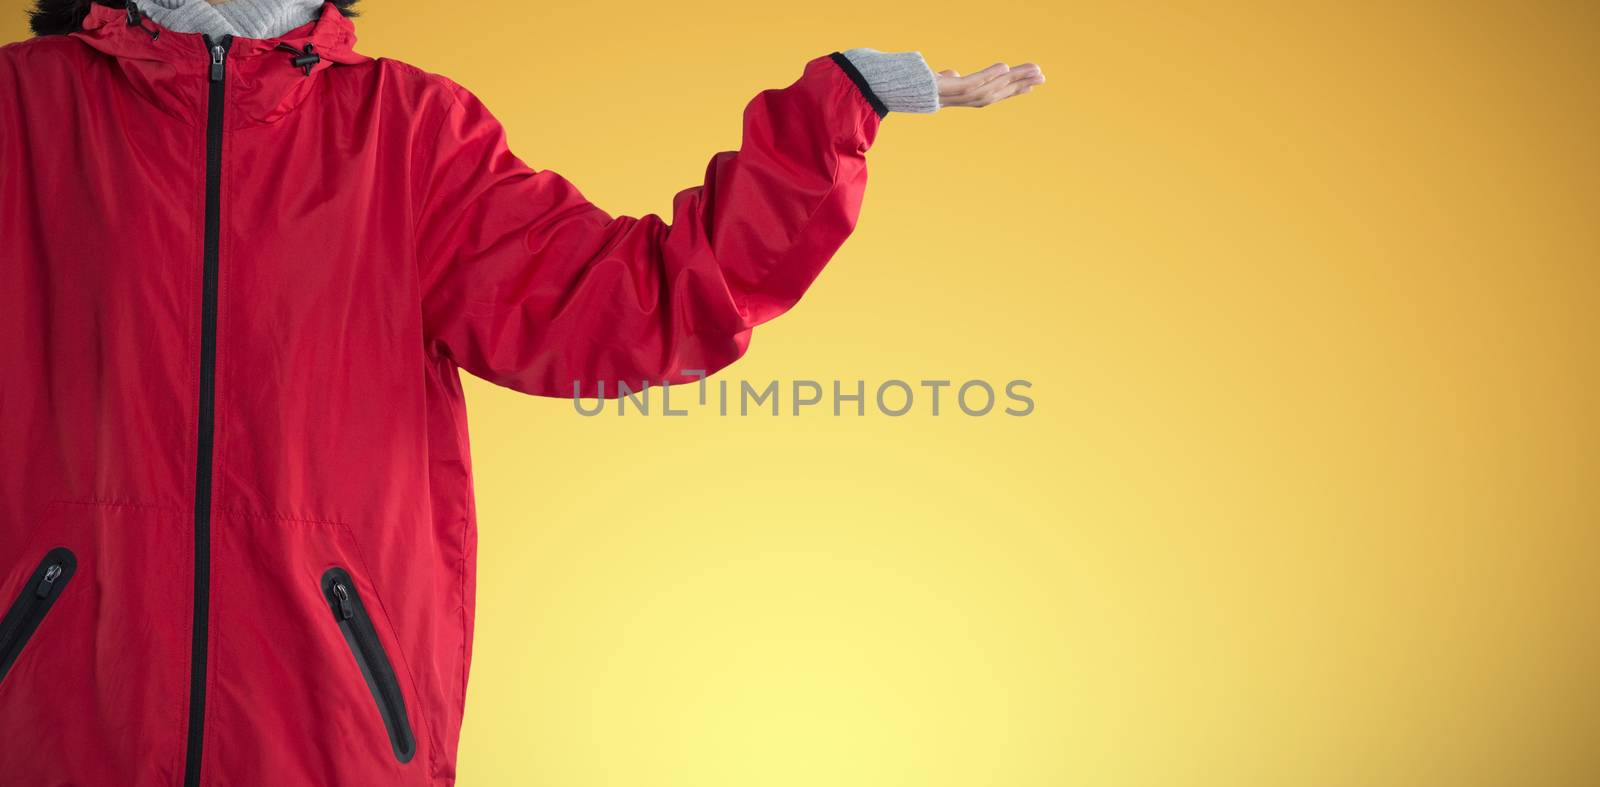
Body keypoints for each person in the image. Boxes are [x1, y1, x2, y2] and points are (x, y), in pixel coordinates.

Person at [0, 0, 1043, 783]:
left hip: (332, 728)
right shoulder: (20, 110)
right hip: (44, 724)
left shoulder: (410, 134)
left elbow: (643, 306)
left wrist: (834, 113)